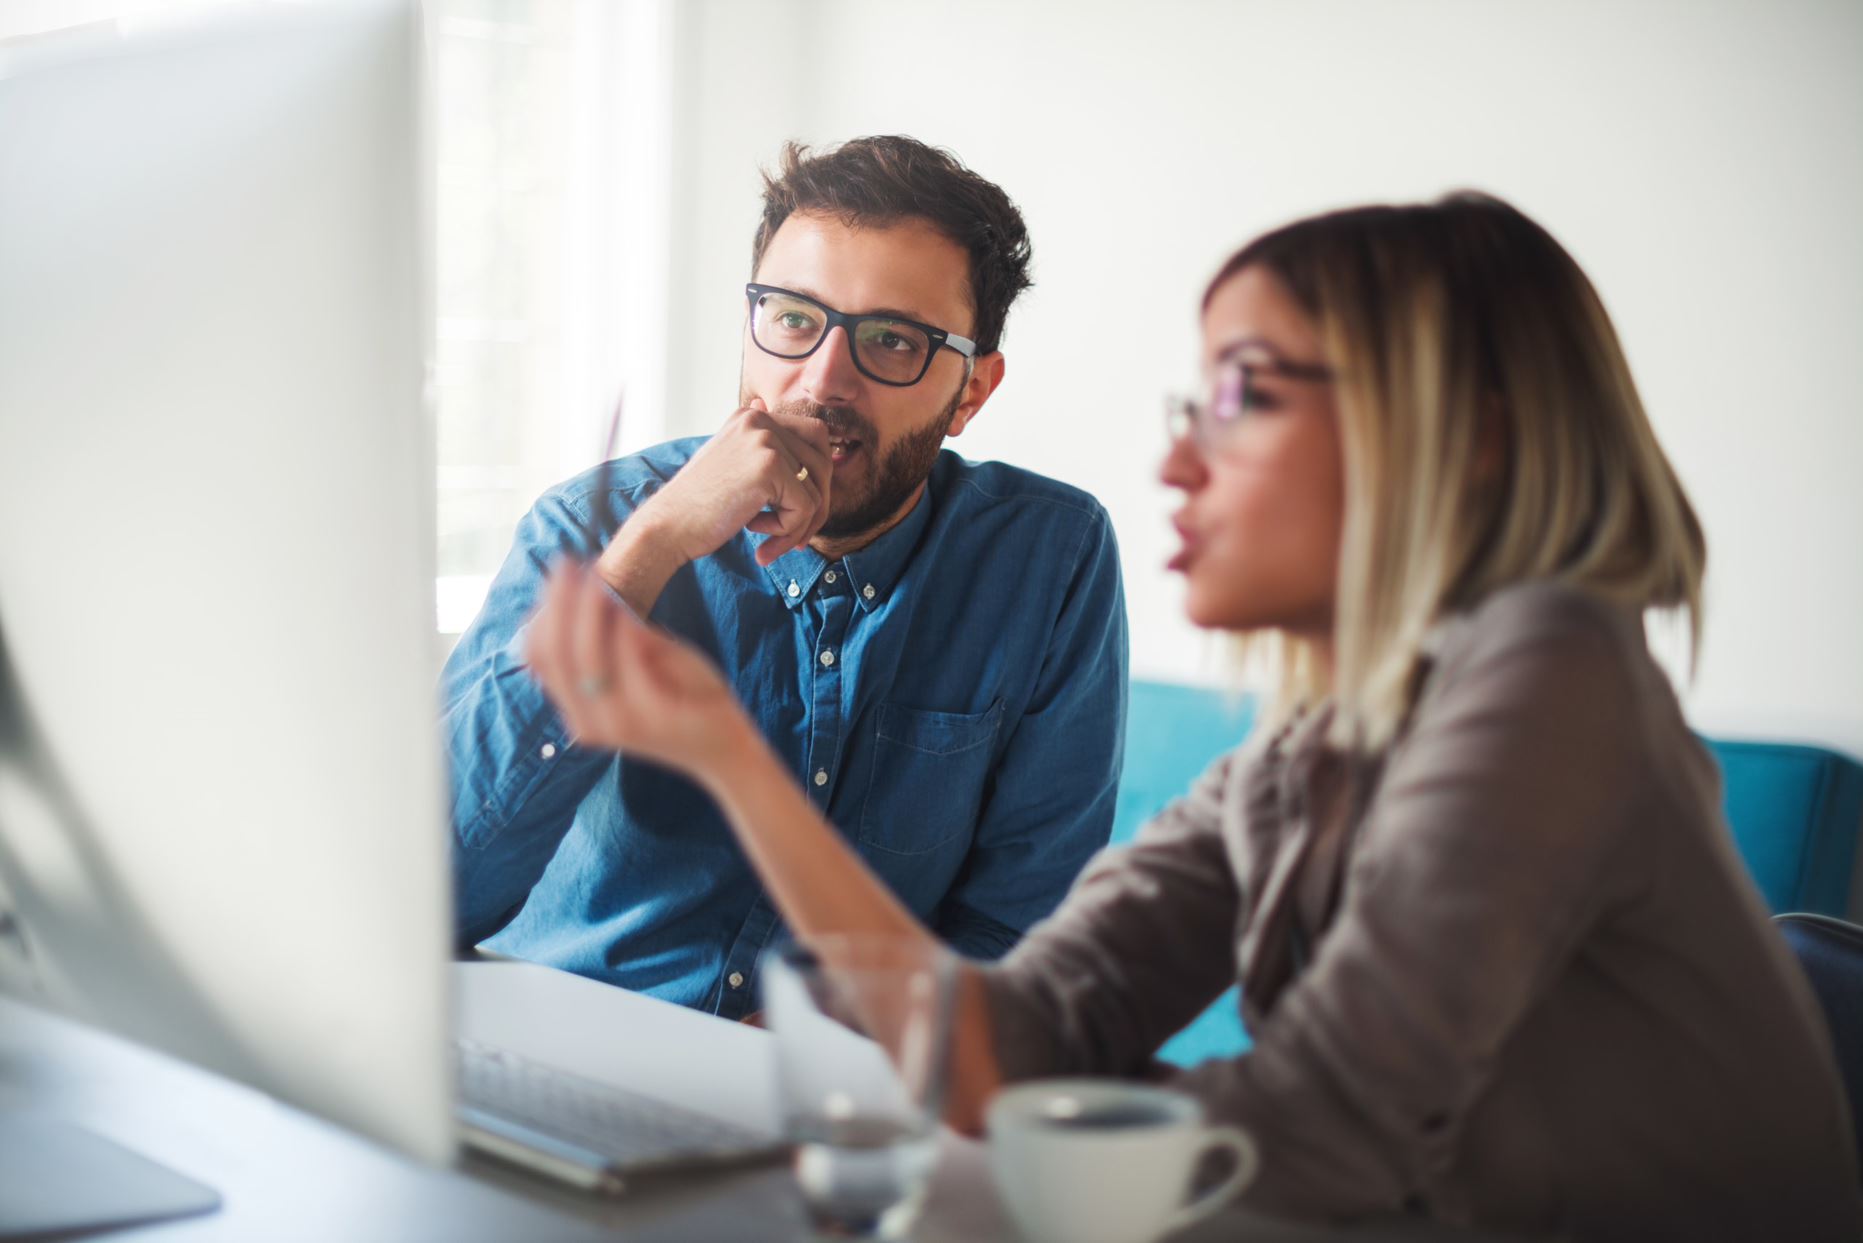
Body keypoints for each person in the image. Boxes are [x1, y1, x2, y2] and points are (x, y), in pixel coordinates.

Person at [522, 191, 1862, 1236]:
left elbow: (1312, 1134)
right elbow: (1005, 1043)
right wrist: (724, 751)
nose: (1175, 458)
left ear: (1463, 436)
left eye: (1244, 391)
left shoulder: (1549, 673)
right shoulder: (1301, 753)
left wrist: (1009, 1127)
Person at [441, 136, 1127, 1017]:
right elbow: (430, 895)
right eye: (795, 319)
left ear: (970, 393)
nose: (822, 380)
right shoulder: (594, 526)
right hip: (567, 1047)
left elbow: (1022, 936)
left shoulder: (1047, 560)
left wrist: (831, 1048)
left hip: (843, 1102)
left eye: (891, 340)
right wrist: (645, 554)